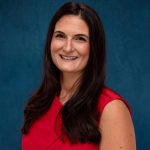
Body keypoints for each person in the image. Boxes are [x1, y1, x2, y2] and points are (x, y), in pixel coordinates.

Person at [21, 2, 136, 150]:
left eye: (80, 38)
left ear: (95, 47)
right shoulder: (38, 104)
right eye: (60, 36)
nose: (67, 48)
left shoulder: (112, 110)